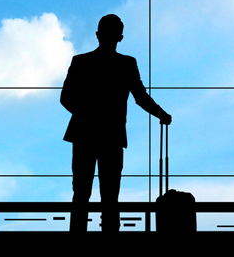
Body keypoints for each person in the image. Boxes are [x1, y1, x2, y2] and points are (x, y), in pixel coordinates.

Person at [60, 14, 172, 232]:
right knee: (110, 194)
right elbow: (141, 97)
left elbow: (66, 98)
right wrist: (161, 114)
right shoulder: (126, 64)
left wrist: (87, 114)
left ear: (98, 35)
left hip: (84, 133)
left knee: (82, 193)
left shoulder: (81, 62)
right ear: (120, 37)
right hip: (110, 135)